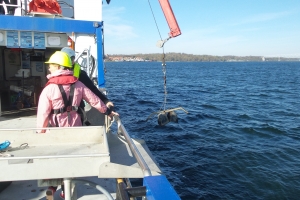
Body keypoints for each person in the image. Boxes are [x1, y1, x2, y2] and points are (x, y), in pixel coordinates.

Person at [36, 51, 110, 199]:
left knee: (56, 158)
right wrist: (108, 111)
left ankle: (52, 185)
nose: (49, 69)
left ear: (58, 67)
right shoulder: (79, 84)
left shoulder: (48, 89)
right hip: (76, 131)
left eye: (51, 66)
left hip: (56, 133)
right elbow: (95, 101)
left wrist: (40, 134)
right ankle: (66, 190)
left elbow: (43, 115)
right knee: (71, 159)